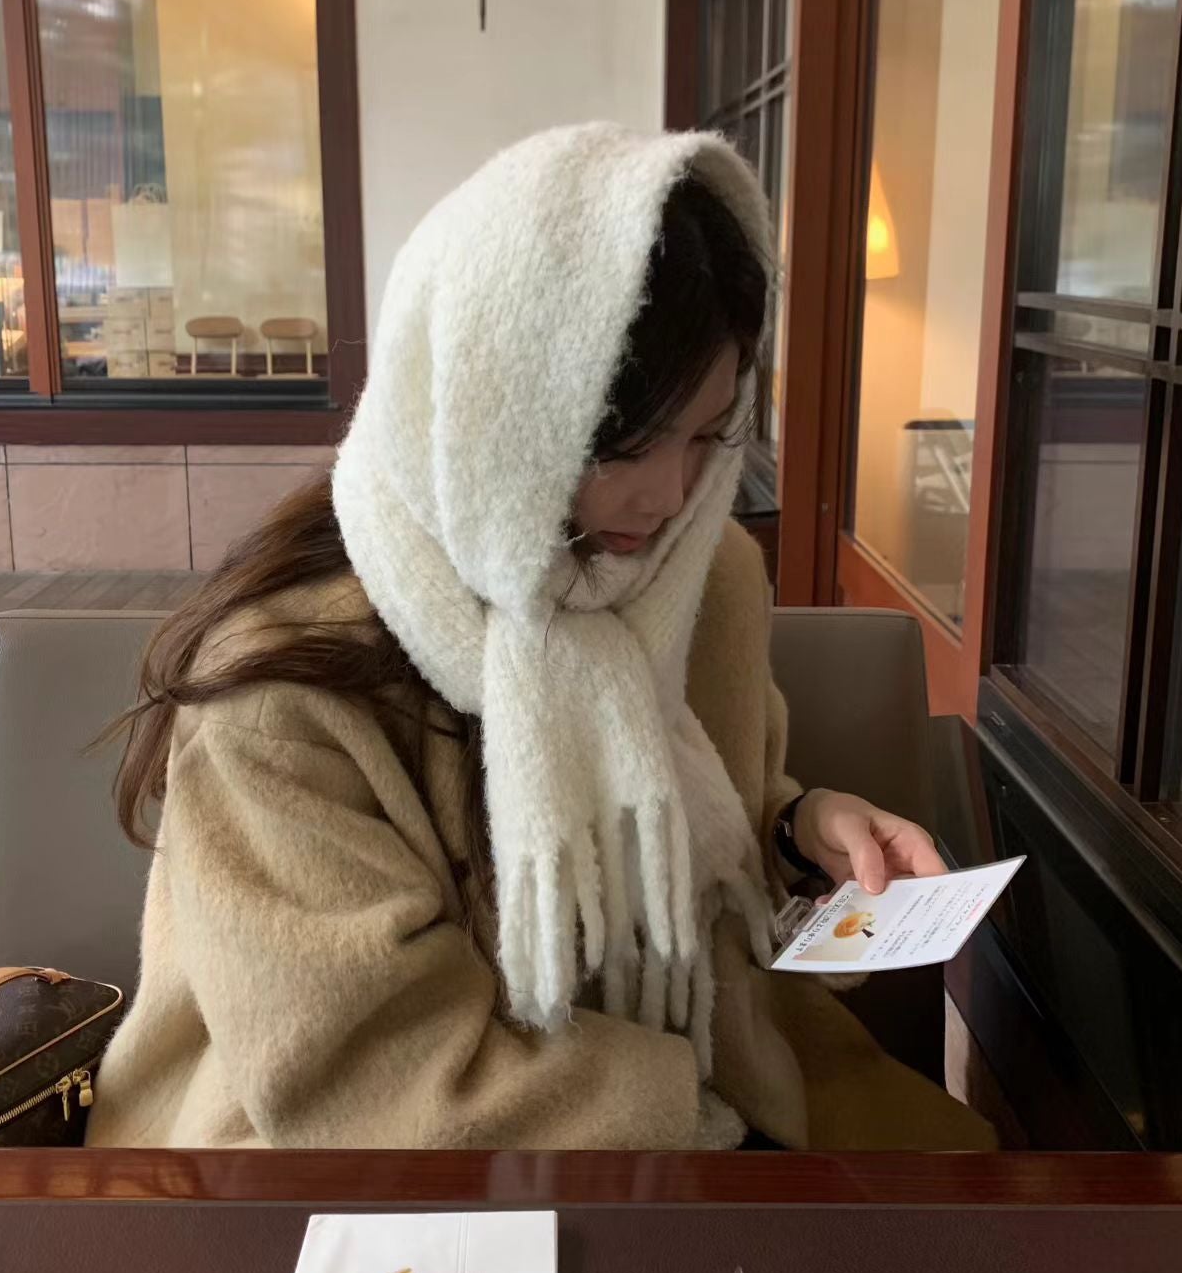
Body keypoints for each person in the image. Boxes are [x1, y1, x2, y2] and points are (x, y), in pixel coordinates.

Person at [88, 125, 991, 1151]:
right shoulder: (279, 689)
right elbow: (377, 1079)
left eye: (707, 434)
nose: (670, 494)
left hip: (682, 1097)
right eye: (620, 443)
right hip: (347, 1169)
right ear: (491, 409)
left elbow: (700, 816)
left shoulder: (705, 578)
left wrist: (797, 831)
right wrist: (714, 1135)